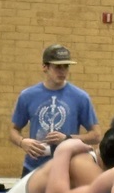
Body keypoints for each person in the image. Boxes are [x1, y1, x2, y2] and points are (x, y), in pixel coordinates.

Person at [9, 44, 101, 175]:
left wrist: (68, 138)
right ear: (44, 67)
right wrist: (22, 142)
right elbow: (13, 130)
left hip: (67, 168)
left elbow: (96, 135)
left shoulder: (80, 97)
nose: (62, 71)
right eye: (57, 67)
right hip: (33, 168)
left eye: (66, 67)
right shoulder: (27, 96)